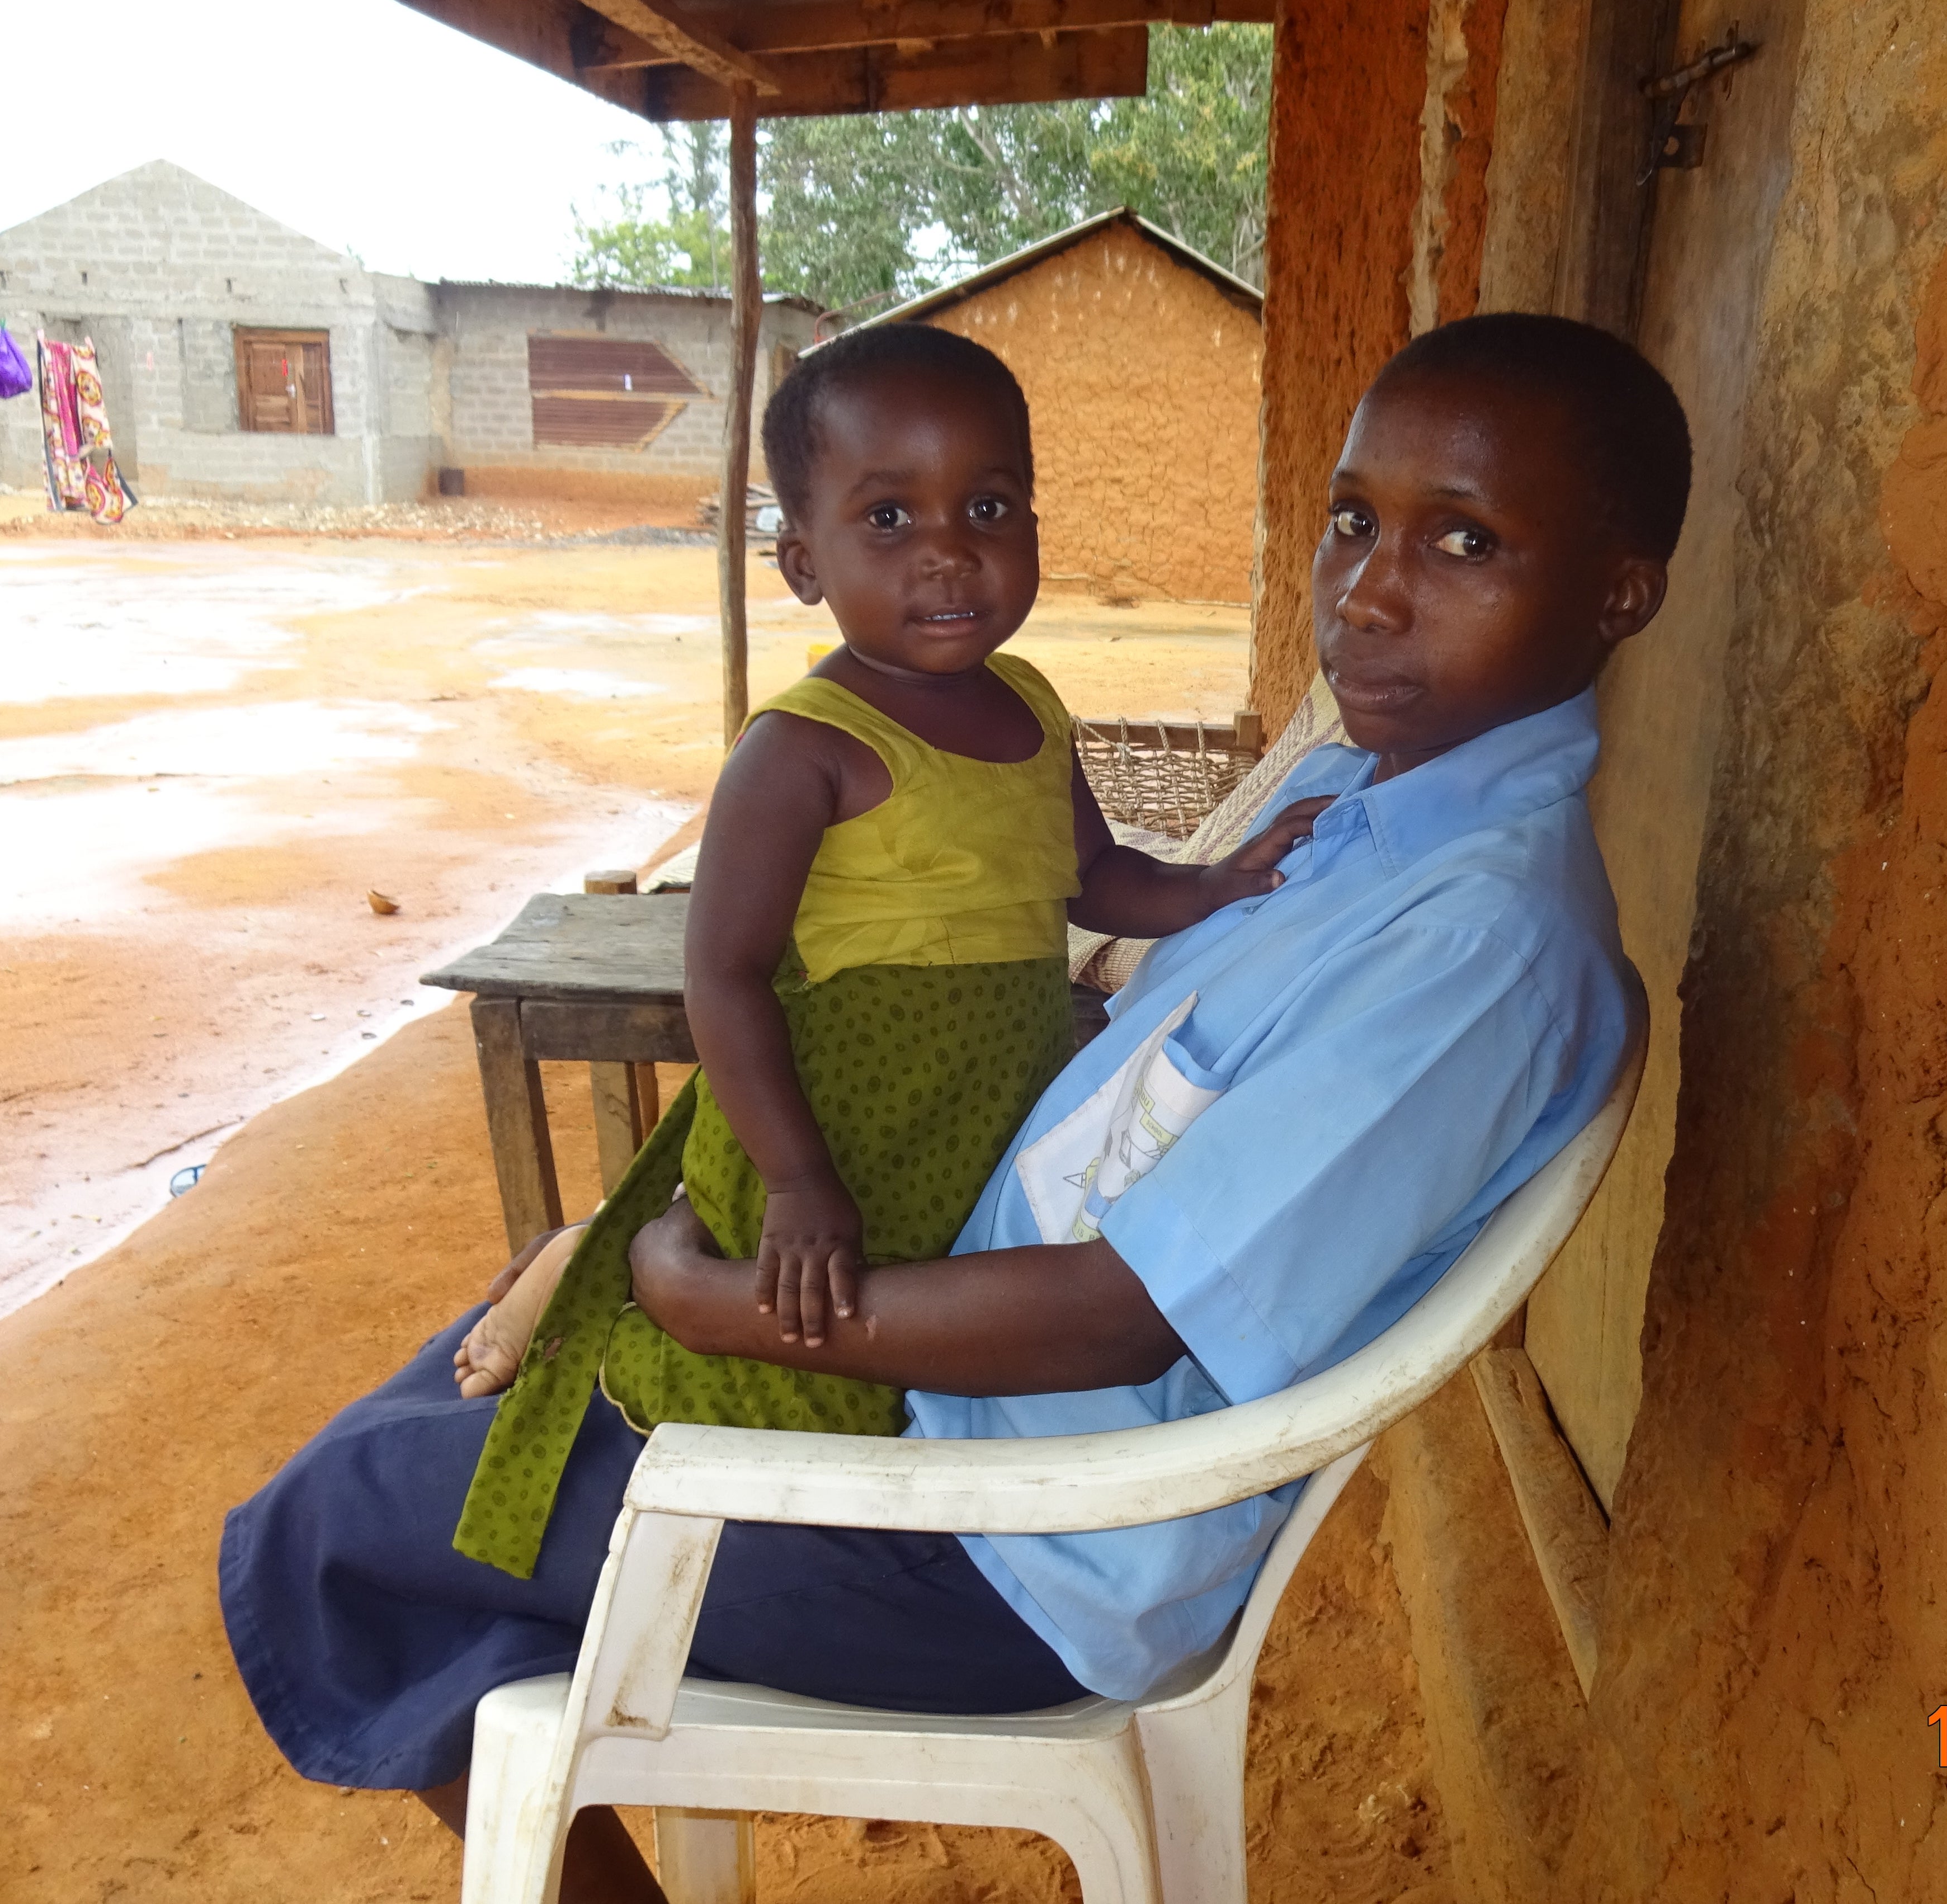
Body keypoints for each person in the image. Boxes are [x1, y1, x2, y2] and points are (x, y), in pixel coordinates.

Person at [219, 312, 1689, 1899]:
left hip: (988, 1540)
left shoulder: (1471, 952)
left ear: (1619, 591)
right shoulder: (1361, 804)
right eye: (1353, 520)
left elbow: (1115, 1319)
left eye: (1463, 540)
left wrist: (721, 1308)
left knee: (331, 1527)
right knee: (437, 1408)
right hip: (936, 1390)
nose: (1370, 590)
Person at [447, 326, 1321, 1582]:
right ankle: (581, 1270)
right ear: (803, 561)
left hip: (971, 1120)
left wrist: (1219, 884)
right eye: (889, 518)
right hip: (833, 1134)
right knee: (815, 1352)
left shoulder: (1030, 705)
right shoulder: (801, 749)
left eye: (987, 504)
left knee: (930, 1335)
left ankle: (591, 1247)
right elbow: (725, 976)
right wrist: (799, 1181)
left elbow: (1094, 878)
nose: (950, 550)